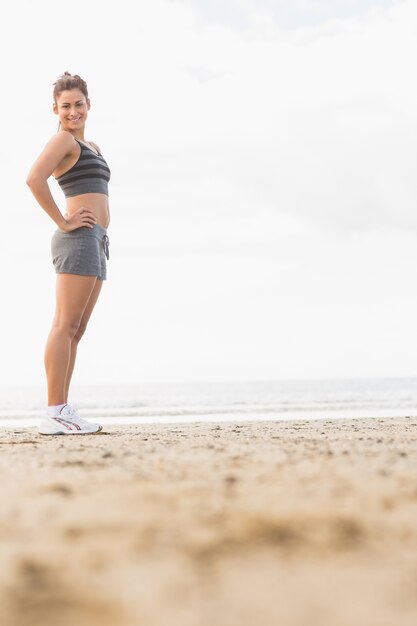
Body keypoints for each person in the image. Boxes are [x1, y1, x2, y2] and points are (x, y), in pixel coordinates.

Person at [26, 72, 111, 435]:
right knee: (64, 325)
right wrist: (62, 221)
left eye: (78, 104)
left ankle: (62, 408)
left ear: (88, 105)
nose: (73, 111)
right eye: (66, 106)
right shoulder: (62, 140)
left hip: (96, 239)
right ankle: (54, 410)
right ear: (55, 110)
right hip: (76, 238)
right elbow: (33, 178)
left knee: (76, 328)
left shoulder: (92, 146)